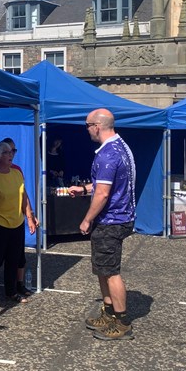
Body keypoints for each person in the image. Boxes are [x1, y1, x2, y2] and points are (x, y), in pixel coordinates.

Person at [68, 108, 136, 341]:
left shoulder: (108, 154)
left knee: (110, 272)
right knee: (102, 269)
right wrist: (85, 188)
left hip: (111, 220)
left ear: (97, 126)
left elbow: (104, 194)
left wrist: (87, 219)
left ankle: (122, 322)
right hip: (119, 217)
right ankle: (108, 313)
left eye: (87, 126)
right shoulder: (121, 147)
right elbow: (105, 185)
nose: (87, 130)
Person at [0, 141, 37, 305]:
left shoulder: (17, 174)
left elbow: (23, 197)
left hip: (16, 224)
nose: (11, 154)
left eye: (12, 151)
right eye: (6, 152)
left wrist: (29, 217)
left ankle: (11, 292)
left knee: (13, 260)